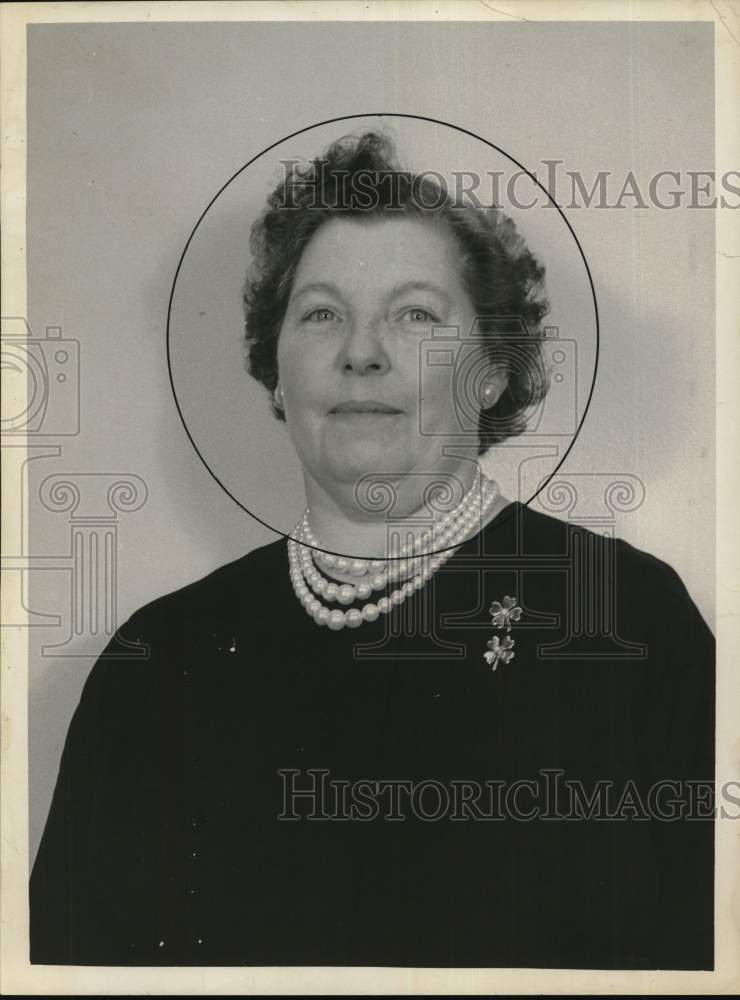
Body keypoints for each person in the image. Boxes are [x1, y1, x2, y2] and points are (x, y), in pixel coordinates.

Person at [30, 131, 714, 969]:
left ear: (493, 368)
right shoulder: (159, 656)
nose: (361, 353)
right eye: (322, 314)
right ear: (276, 371)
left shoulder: (627, 621)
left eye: (415, 314)